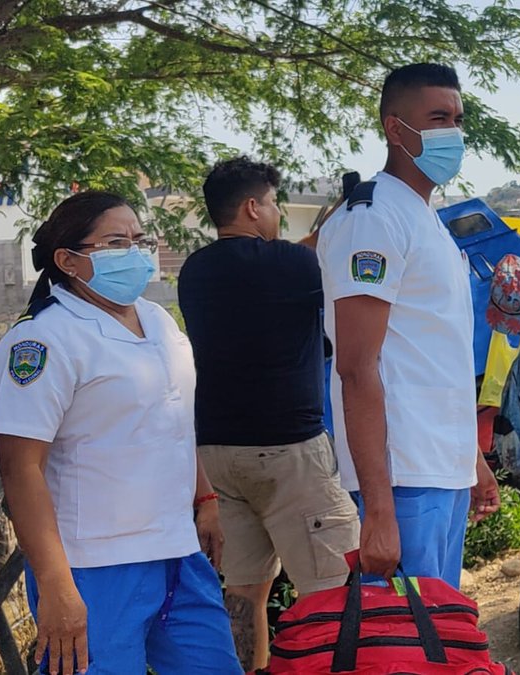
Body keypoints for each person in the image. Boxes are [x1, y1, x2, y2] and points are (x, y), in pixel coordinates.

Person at [0, 192, 241, 675]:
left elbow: (171, 419)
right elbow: (19, 467)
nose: (134, 253)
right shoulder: (42, 339)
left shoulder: (158, 320)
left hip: (177, 554)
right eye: (115, 242)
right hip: (95, 567)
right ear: (67, 260)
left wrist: (205, 498)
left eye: (138, 239)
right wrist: (58, 587)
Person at [316, 63, 500, 588]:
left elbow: (434, 357)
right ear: (396, 129)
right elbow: (356, 366)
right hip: (401, 477)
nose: (453, 133)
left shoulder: (428, 220)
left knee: (437, 639)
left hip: (439, 468)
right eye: (438, 118)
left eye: (458, 119)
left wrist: (472, 463)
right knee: (404, 642)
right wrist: (378, 508)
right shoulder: (371, 219)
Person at [178, 157, 359, 670]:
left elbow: (284, 260)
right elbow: (313, 257)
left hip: (218, 457)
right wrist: (340, 222)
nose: (279, 214)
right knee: (332, 592)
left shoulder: (195, 271)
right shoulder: (293, 267)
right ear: (252, 207)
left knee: (244, 593)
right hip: (288, 453)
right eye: (275, 204)